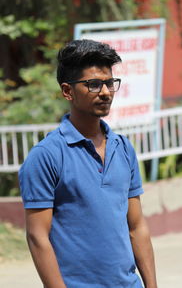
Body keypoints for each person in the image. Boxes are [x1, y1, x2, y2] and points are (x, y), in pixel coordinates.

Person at [19, 39, 157, 288]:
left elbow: (136, 227)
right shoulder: (46, 156)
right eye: (93, 84)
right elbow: (37, 236)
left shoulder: (123, 148)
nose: (105, 92)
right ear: (67, 91)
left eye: (109, 83)